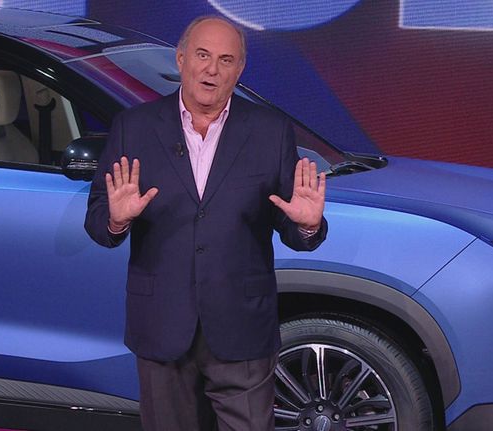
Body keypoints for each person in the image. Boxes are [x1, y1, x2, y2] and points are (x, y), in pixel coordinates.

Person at [85, 15, 327, 431]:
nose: (212, 69)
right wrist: (116, 220)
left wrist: (306, 226)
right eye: (202, 55)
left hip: (241, 327)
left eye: (225, 60)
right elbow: (97, 221)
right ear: (181, 59)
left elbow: (289, 223)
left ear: (239, 69)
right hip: (162, 324)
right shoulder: (134, 127)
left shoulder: (270, 132)